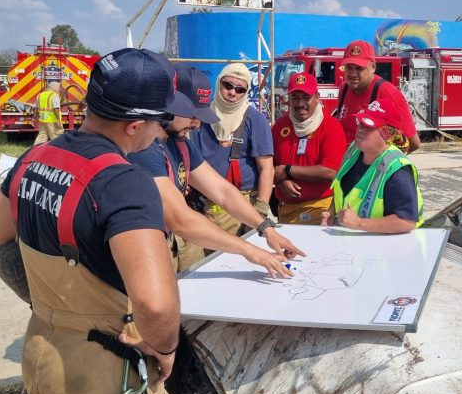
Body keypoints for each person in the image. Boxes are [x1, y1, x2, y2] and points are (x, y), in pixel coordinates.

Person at [0, 48, 196, 394]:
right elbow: (156, 303)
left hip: (41, 354)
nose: (162, 131)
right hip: (102, 382)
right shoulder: (125, 184)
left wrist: (52, 310)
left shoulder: (36, 157)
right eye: (160, 121)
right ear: (135, 125)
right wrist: (164, 349)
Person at [129, 65, 305, 273]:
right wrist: (251, 251)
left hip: (182, 241)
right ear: (171, 105)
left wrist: (265, 227)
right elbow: (181, 219)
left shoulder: (181, 144)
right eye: (192, 115)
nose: (197, 124)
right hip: (151, 244)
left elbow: (222, 191)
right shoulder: (145, 148)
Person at [323, 98, 423, 233]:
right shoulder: (355, 150)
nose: (360, 129)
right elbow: (341, 190)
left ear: (388, 133)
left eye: (369, 126)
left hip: (385, 249)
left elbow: (406, 222)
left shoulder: (398, 171)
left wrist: (358, 223)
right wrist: (331, 213)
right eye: (360, 122)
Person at [197, 62, 274, 235]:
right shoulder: (201, 116)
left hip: (240, 201)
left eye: (240, 89)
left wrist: (259, 210)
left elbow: (267, 169)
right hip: (203, 201)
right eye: (228, 85)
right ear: (219, 83)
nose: (232, 92)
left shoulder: (254, 119)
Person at [271, 72, 346, 224]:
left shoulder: (331, 126)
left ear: (317, 97)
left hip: (320, 209)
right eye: (295, 97)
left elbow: (330, 172)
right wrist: (281, 181)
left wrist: (288, 170)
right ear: (289, 99)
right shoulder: (279, 126)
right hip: (285, 210)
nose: (300, 103)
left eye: (306, 97)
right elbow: (269, 167)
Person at [334, 39, 420, 153]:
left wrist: (382, 166)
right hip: (345, 165)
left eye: (359, 68)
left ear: (373, 67)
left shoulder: (386, 92)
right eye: (349, 67)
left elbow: (413, 143)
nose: (353, 74)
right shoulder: (344, 88)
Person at [34, 80, 63, 145]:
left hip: (43, 120)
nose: (60, 89)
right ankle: (56, 152)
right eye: (59, 88)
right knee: (56, 137)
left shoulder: (40, 95)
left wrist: (34, 118)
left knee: (42, 137)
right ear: (55, 87)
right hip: (52, 121)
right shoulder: (54, 95)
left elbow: (35, 107)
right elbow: (56, 109)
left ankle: (36, 150)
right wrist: (58, 120)